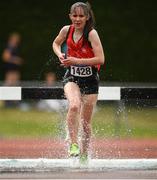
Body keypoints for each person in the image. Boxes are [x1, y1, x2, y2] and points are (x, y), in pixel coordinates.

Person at [52, 2, 104, 163]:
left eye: (81, 16)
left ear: (87, 17)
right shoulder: (66, 30)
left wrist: (77, 60)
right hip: (72, 77)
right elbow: (55, 43)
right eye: (74, 16)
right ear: (70, 16)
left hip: (90, 80)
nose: (77, 19)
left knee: (86, 124)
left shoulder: (92, 33)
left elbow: (101, 59)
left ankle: (84, 155)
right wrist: (60, 54)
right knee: (74, 105)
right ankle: (73, 144)